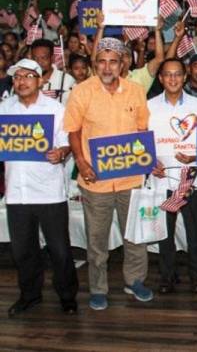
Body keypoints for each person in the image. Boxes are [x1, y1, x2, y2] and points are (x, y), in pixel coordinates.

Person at [64, 37, 153, 311]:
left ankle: (135, 281)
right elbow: (73, 130)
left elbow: (142, 132)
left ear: (122, 63)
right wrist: (81, 161)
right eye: (101, 61)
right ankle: (98, 288)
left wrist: (146, 160)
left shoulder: (136, 91)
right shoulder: (81, 91)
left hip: (131, 178)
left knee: (135, 236)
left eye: (112, 61)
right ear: (95, 63)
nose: (106, 66)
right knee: (97, 240)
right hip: (96, 180)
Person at [2, 58, 78, 317]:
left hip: (48, 191)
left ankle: (67, 296)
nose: (21, 81)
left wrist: (61, 153)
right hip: (16, 192)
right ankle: (29, 295)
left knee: (59, 249)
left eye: (27, 76)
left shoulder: (55, 109)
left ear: (40, 80)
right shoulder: (4, 109)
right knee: (23, 251)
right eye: (17, 77)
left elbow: (67, 143)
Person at [148, 58, 197, 294]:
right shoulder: (150, 106)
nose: (173, 79)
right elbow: (142, 141)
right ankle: (167, 277)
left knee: (195, 232)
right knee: (164, 233)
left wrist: (194, 156)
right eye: (168, 75)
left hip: (191, 179)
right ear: (161, 78)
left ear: (185, 77)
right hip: (161, 179)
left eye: (177, 74)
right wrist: (149, 162)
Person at [30, 38, 75, 105]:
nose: (39, 62)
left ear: (52, 58)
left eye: (43, 58)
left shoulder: (67, 81)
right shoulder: (24, 80)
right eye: (35, 58)